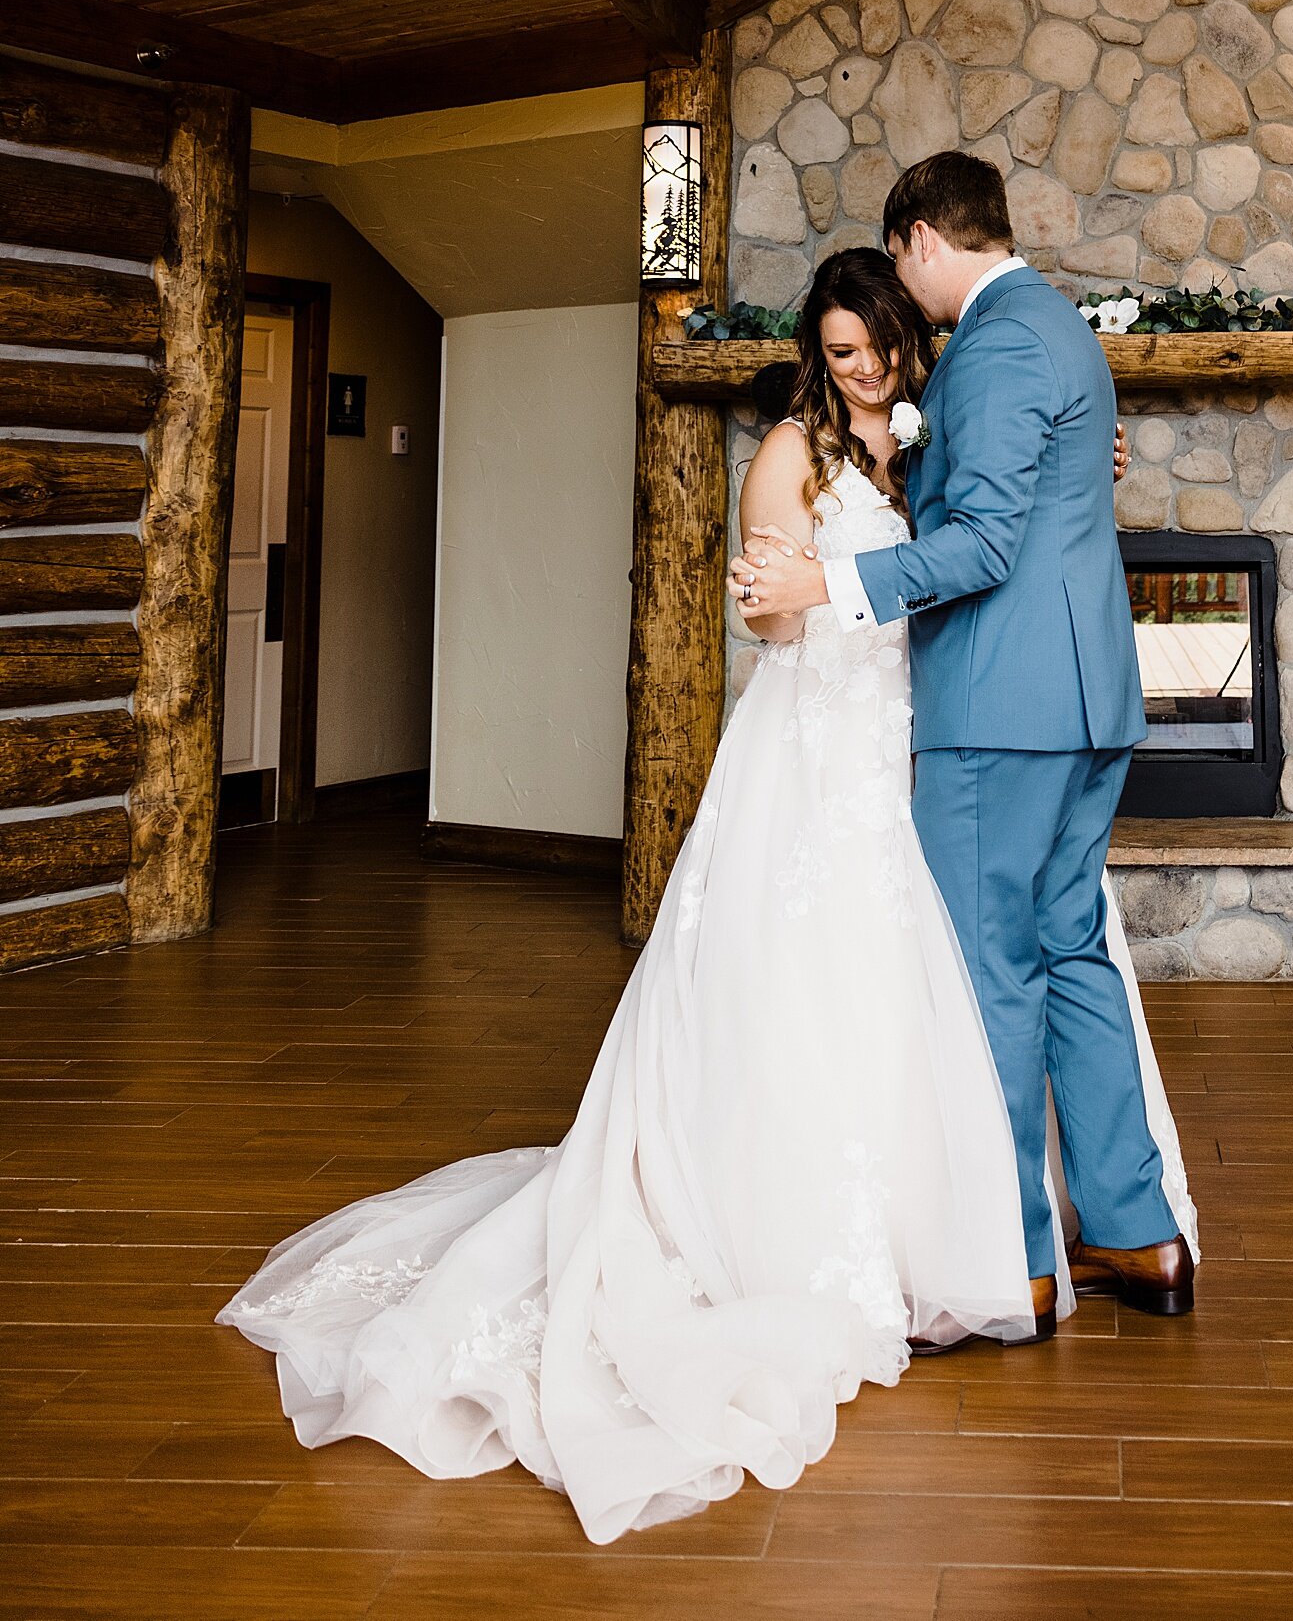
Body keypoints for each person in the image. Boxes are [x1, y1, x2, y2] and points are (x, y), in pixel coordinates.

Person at [218, 245, 1188, 1545]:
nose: (860, 367)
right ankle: (787, 1231)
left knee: (914, 993)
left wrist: (1068, 471)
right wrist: (784, 590)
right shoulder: (791, 452)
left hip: (905, 755)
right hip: (813, 756)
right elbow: (776, 621)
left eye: (877, 344)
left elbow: (984, 543)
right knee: (793, 989)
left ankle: (934, 1237)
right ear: (816, 355)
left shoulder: (929, 438)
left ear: (910, 337)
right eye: (838, 349)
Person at [731, 153, 1196, 1327]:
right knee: (1072, 953)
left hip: (1000, 710)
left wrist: (831, 579)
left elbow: (985, 546)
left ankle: (1011, 1263)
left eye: (900, 262)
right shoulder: (1063, 328)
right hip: (1089, 703)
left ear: (924, 238)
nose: (901, 293)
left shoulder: (991, 344)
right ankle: (1139, 1239)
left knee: (988, 976)